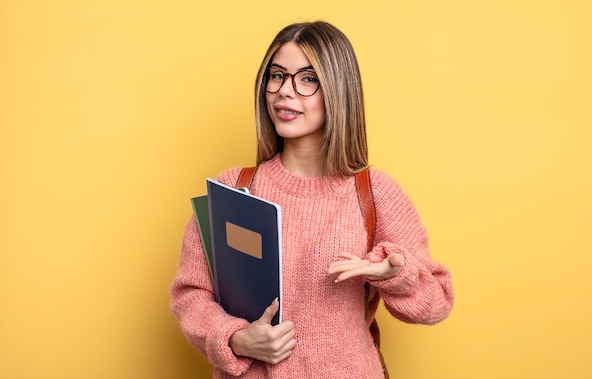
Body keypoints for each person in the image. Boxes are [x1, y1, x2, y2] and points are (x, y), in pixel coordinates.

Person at [170, 21, 454, 379]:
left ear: (338, 91)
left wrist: (397, 275)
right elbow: (190, 295)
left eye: (307, 79)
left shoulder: (376, 193)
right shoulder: (232, 189)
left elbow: (438, 302)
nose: (285, 92)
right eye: (277, 76)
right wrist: (236, 339)